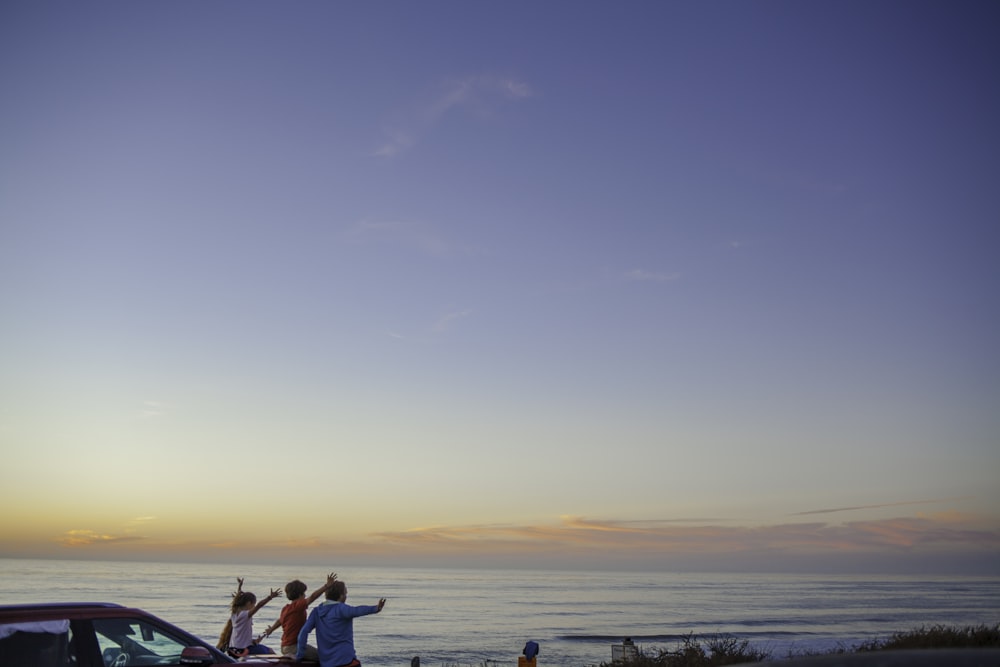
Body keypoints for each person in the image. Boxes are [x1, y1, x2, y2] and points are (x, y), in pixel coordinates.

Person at [296, 580, 386, 667]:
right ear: (340, 596)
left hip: (326, 663)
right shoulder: (341, 609)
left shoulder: (316, 612)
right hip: (346, 661)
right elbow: (357, 610)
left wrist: (300, 655)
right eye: (345, 594)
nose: (346, 596)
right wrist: (376, 608)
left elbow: (303, 633)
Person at [261, 571, 338, 659]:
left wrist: (271, 629)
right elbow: (312, 597)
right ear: (300, 594)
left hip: (285, 647)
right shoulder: (297, 606)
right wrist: (326, 586)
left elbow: (280, 621)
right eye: (304, 593)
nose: (305, 596)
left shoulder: (286, 608)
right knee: (325, 657)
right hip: (293, 647)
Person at [227, 578, 282, 658]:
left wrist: (253, 641)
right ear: (249, 603)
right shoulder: (245, 615)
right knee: (270, 651)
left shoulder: (234, 614)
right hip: (242, 650)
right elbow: (259, 606)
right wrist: (270, 597)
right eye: (253, 604)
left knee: (259, 648)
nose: (253, 607)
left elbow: (238, 597)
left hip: (233, 648)